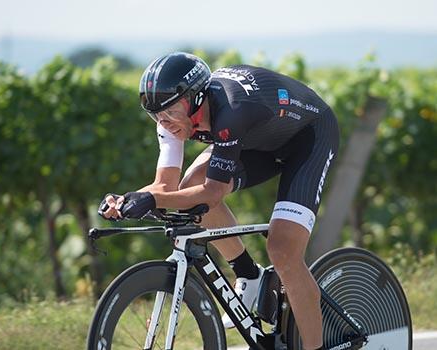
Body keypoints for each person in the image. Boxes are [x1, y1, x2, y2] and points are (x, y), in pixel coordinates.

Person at [99, 52, 339, 350]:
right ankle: (248, 275)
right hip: (257, 141)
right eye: (157, 117)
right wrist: (127, 199)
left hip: (307, 137)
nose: (166, 123)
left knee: (283, 251)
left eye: (172, 112)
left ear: (196, 99)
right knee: (189, 188)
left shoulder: (232, 111)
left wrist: (152, 198)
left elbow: (212, 193)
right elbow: (165, 186)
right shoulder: (171, 118)